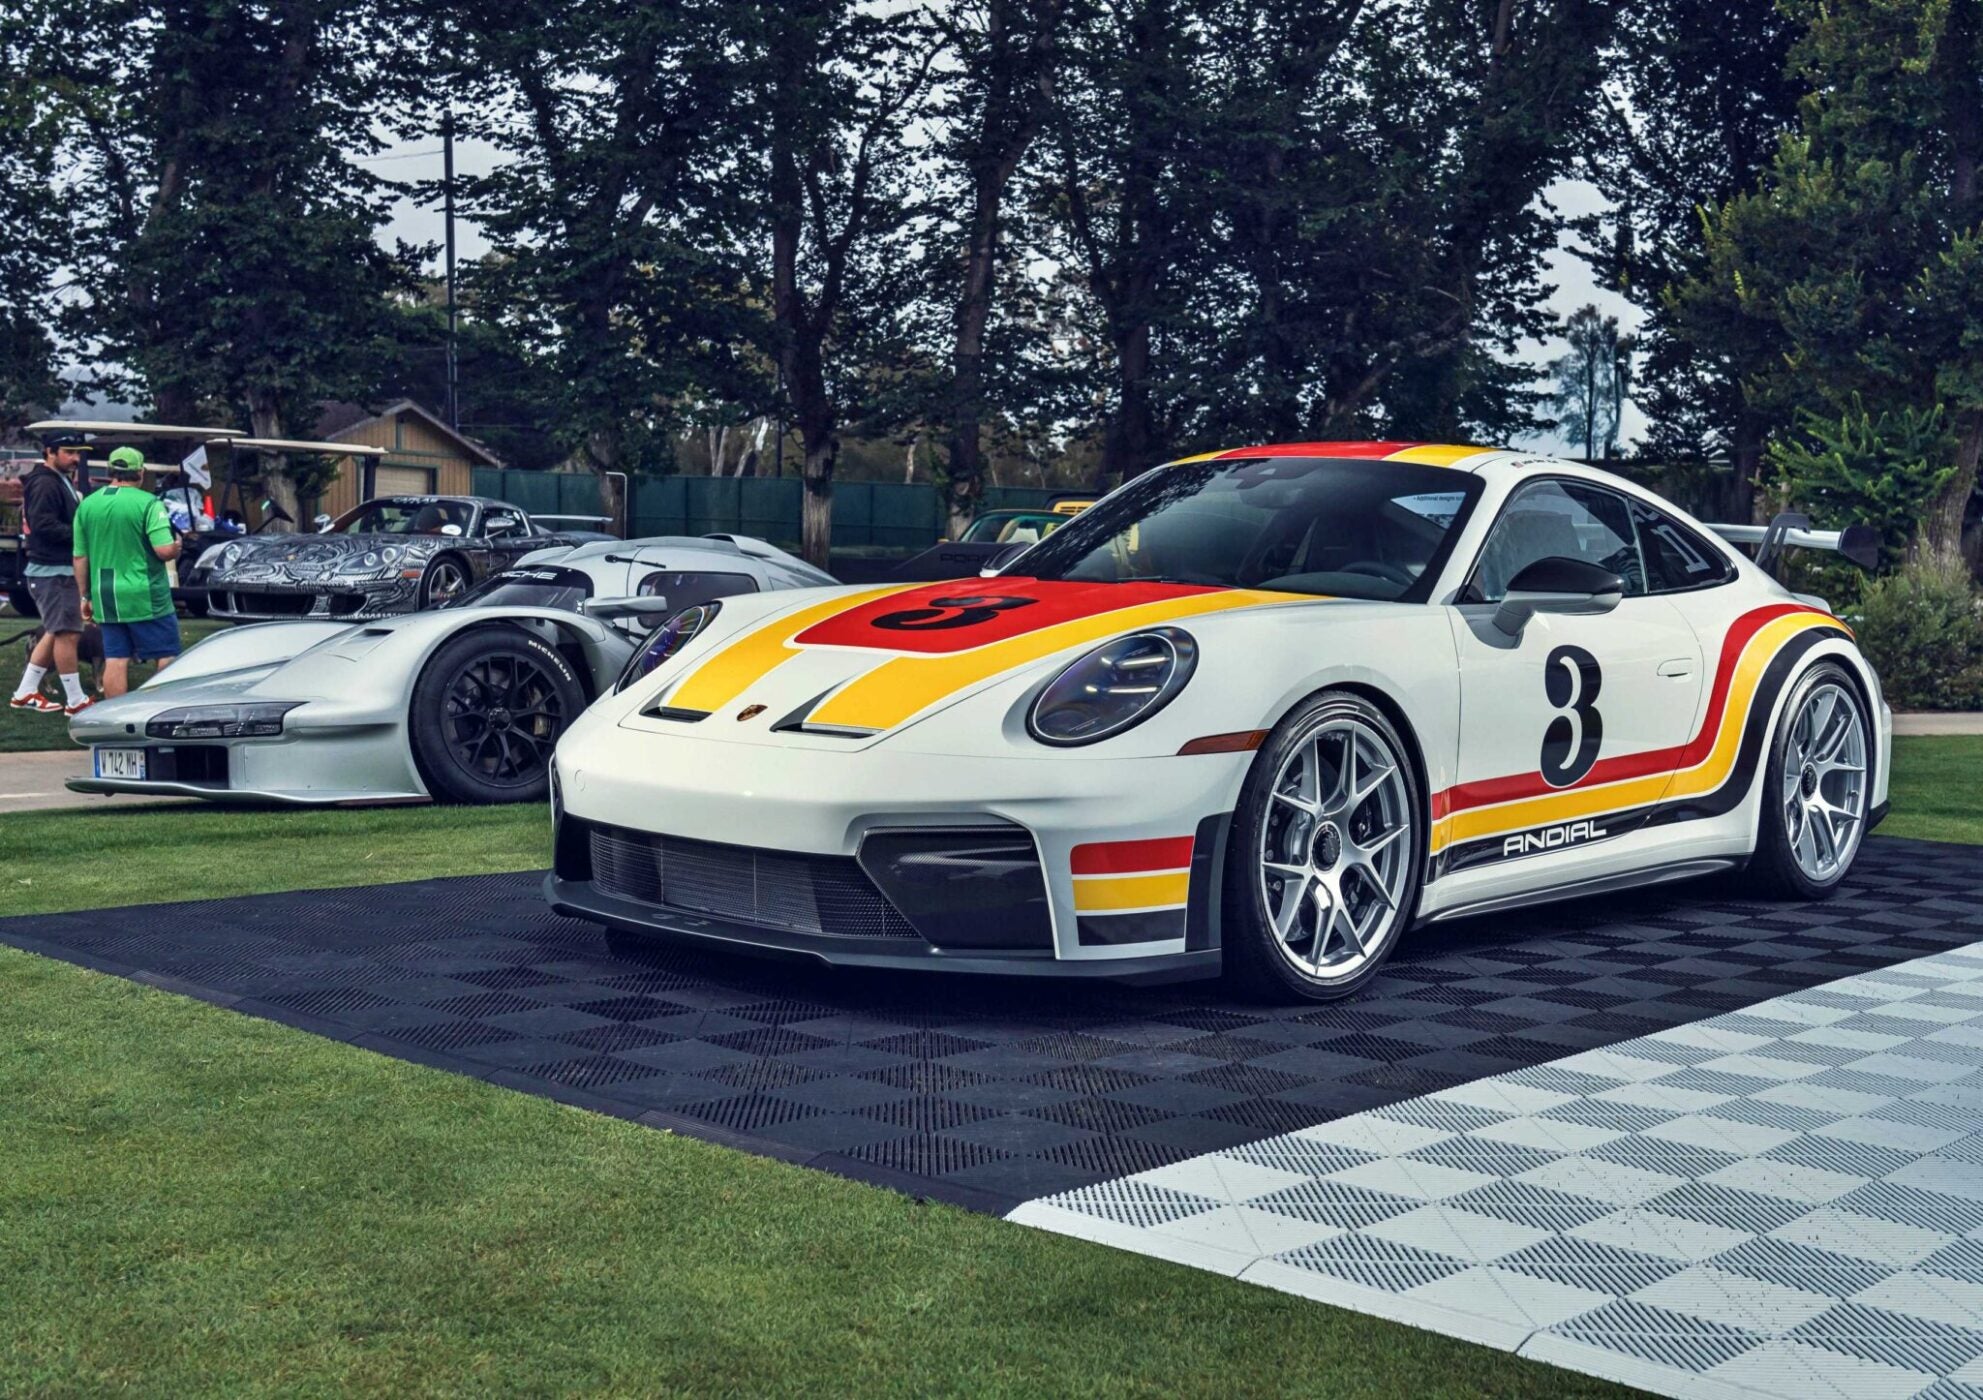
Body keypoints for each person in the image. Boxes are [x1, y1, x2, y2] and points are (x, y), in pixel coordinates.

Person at [71, 446, 181, 698]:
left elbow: (79, 556)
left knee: (116, 658)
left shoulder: (87, 504)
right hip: (145, 591)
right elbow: (163, 550)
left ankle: (115, 719)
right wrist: (176, 547)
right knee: (166, 655)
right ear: (140, 472)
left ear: (111, 471)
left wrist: (84, 596)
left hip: (105, 592)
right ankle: (160, 713)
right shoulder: (150, 503)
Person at [9, 430, 90, 714]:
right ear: (50, 452)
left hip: (54, 569)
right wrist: (83, 536)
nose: (75, 458)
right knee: (67, 633)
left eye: (78, 453)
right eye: (69, 452)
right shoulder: (45, 483)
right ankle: (76, 700)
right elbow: (44, 525)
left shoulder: (57, 480)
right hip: (52, 571)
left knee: (56, 632)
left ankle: (25, 691)